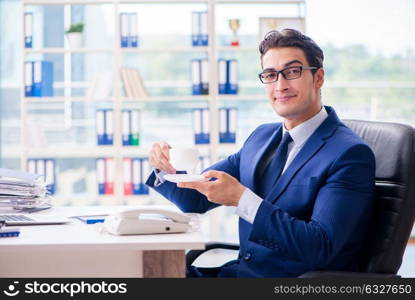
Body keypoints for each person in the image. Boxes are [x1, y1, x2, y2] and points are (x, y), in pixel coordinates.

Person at [146, 29, 375, 278]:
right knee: (146, 270)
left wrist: (242, 199)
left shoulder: (349, 154)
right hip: (238, 274)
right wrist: (164, 168)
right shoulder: (261, 137)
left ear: (318, 78)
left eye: (292, 71)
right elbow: (195, 199)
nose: (280, 85)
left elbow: (319, 246)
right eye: (270, 74)